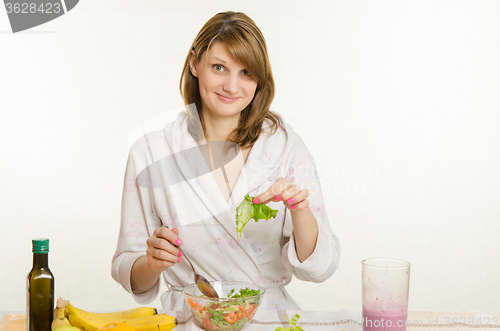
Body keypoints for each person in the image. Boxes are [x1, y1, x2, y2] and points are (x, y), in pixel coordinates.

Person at [112, 11, 340, 311]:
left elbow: (320, 267)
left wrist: (299, 209)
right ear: (194, 63)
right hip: (187, 318)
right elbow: (127, 268)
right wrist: (153, 263)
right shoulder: (151, 152)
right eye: (219, 67)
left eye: (246, 72)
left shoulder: (286, 148)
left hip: (268, 317)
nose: (232, 86)